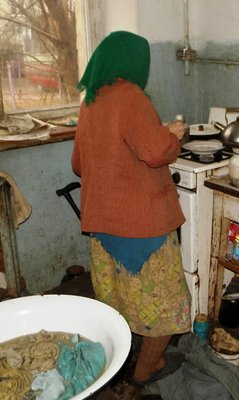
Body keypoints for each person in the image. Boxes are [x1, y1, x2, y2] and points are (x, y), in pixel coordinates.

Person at [71, 31, 190, 386]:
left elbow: (78, 164)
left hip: (103, 225)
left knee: (120, 300)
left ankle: (117, 364)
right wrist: (172, 136)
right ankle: (145, 370)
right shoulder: (131, 95)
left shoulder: (91, 101)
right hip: (142, 226)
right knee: (166, 304)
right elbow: (155, 152)